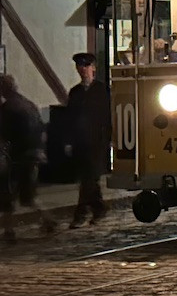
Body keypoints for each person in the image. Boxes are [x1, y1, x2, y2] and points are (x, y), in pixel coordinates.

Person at [0, 74, 58, 241]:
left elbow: (4, 134)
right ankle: (48, 219)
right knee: (28, 196)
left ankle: (9, 231)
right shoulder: (28, 104)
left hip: (18, 157)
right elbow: (41, 128)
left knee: (8, 195)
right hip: (34, 155)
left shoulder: (8, 108)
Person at [67, 52, 111, 228]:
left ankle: (81, 213)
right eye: (80, 67)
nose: (83, 70)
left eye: (86, 66)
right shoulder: (75, 92)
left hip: (97, 141)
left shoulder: (101, 90)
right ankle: (99, 209)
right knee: (89, 178)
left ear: (93, 68)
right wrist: (69, 140)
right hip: (80, 142)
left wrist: (109, 138)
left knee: (89, 178)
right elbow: (70, 117)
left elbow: (108, 116)